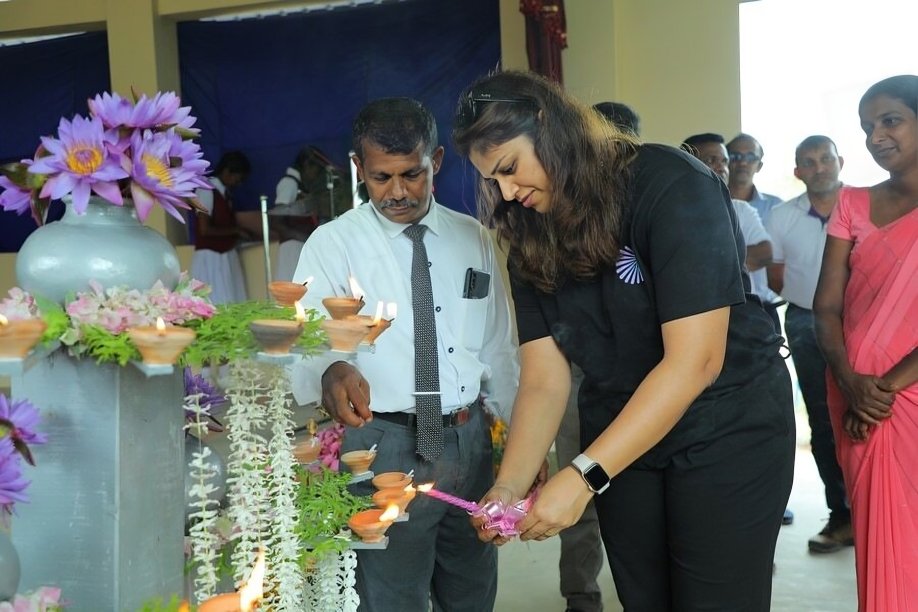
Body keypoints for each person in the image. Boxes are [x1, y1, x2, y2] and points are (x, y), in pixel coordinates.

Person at [453, 70, 795, 611]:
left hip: (726, 424)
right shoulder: (527, 229)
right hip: (623, 425)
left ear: (549, 126)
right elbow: (544, 376)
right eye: (491, 181)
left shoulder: (668, 183)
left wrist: (585, 473)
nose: (508, 192)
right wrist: (509, 487)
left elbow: (696, 361)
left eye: (510, 169)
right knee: (644, 597)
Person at [290, 97, 519, 611]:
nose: (397, 192)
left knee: (472, 592)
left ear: (436, 161)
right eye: (380, 177)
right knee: (393, 596)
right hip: (383, 445)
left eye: (412, 174)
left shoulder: (474, 239)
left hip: (470, 442)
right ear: (358, 170)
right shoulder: (331, 245)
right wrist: (331, 367)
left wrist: (523, 447)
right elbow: (301, 337)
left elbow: (501, 349)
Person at [814, 74, 918, 611]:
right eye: (867, 127)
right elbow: (825, 307)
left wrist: (882, 391)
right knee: (881, 538)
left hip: (905, 394)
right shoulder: (851, 203)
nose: (876, 136)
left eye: (890, 120)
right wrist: (853, 385)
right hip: (853, 392)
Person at [767, 135, 851, 553]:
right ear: (797, 170)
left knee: (878, 414)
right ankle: (842, 515)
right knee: (824, 420)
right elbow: (776, 278)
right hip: (805, 322)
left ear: (841, 161)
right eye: (809, 162)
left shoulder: (867, 205)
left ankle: (882, 511)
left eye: (826, 159)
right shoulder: (781, 217)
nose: (819, 167)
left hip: (865, 323)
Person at [727, 132, 786, 328]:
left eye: (750, 157)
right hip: (723, 308)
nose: (743, 162)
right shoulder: (713, 204)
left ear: (759, 165)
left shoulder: (778, 208)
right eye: (735, 156)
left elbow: (786, 256)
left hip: (765, 307)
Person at [271, 145, 349, 282]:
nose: (316, 176)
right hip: (292, 247)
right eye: (316, 170)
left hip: (299, 245)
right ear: (307, 165)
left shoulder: (299, 185)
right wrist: (302, 237)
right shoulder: (289, 183)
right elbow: (276, 221)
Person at [191, 150, 250, 305]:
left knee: (230, 303)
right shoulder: (206, 189)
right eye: (239, 178)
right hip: (210, 258)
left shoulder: (225, 194)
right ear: (227, 171)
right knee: (213, 303)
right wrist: (236, 231)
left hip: (225, 257)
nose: (239, 183)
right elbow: (205, 229)